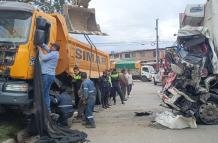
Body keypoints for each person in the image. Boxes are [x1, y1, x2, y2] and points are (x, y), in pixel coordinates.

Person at [38, 43, 60, 113]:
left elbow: (43, 58)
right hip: (50, 75)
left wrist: (39, 50)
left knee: (43, 92)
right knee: (46, 93)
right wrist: (43, 45)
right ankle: (47, 110)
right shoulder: (55, 53)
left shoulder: (53, 54)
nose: (50, 47)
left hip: (47, 75)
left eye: (52, 46)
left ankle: (44, 110)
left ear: (55, 48)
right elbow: (48, 50)